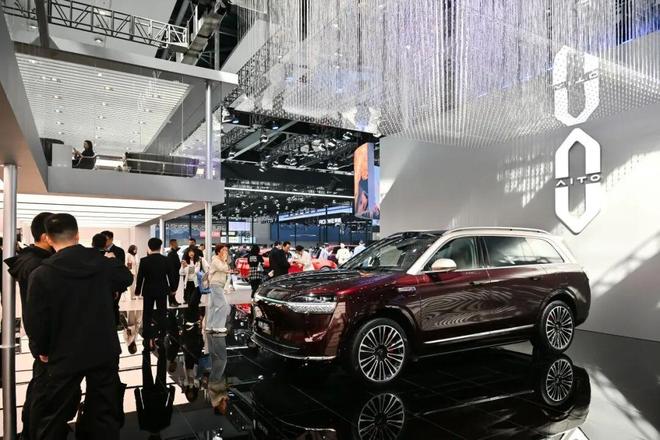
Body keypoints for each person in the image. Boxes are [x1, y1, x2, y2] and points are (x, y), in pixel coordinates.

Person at [26, 213, 133, 439]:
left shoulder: (42, 273)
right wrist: (112, 259)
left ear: (49, 238)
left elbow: (36, 319)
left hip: (63, 352)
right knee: (104, 411)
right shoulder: (102, 264)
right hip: (103, 349)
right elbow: (126, 278)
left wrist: (41, 349)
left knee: (54, 413)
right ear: (76, 235)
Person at [4, 212, 53, 440]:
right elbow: (38, 309)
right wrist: (42, 345)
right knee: (44, 388)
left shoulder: (30, 259)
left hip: (41, 335)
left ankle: (33, 427)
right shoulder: (37, 264)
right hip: (45, 337)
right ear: (45, 236)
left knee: (40, 384)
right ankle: (36, 430)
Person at [136, 238, 177, 349]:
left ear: (149, 247)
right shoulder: (166, 260)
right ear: (160, 247)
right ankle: (162, 333)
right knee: (162, 312)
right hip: (162, 289)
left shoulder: (144, 260)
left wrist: (137, 291)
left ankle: (147, 334)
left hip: (148, 290)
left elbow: (140, 277)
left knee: (147, 312)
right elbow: (171, 276)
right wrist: (173, 289)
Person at [206, 244, 231, 334]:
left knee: (212, 306)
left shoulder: (219, 260)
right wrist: (224, 260)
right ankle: (218, 326)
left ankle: (209, 326)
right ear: (218, 251)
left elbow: (226, 269)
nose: (225, 252)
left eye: (226, 250)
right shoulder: (216, 260)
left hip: (216, 284)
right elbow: (223, 268)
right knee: (223, 305)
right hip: (216, 284)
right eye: (223, 250)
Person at [179, 248, 209, 323]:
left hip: (197, 284)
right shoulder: (185, 261)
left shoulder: (200, 260)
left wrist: (187, 267)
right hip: (188, 284)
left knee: (193, 301)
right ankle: (192, 319)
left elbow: (197, 271)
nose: (191, 253)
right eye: (189, 252)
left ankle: (196, 318)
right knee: (190, 302)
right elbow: (181, 273)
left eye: (192, 251)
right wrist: (183, 266)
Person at [167, 239, 181, 306]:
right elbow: (170, 265)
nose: (177, 244)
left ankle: (174, 300)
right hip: (173, 273)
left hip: (176, 272)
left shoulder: (174, 252)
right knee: (172, 288)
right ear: (171, 244)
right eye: (175, 243)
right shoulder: (171, 253)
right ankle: (171, 302)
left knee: (175, 288)